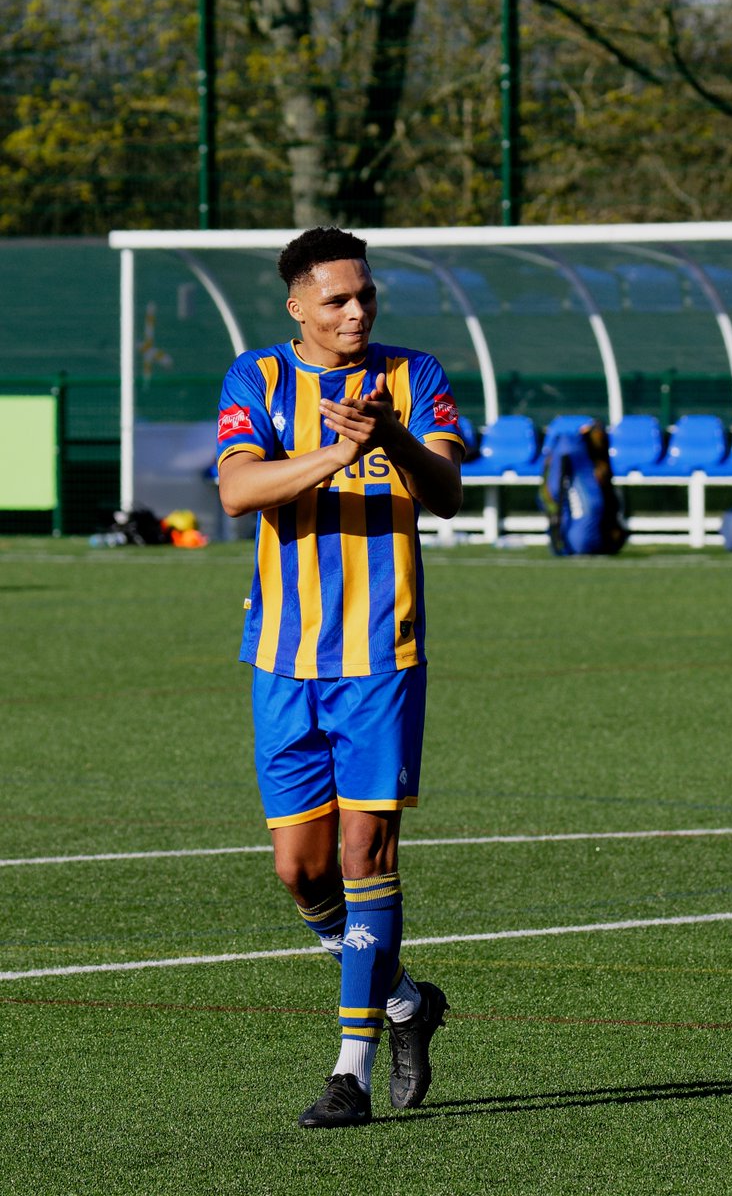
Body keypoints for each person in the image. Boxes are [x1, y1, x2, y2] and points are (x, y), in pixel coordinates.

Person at [216, 226, 465, 1128]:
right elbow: (238, 491)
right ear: (297, 305)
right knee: (300, 871)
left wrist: (389, 434)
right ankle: (406, 1002)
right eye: (337, 299)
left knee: (368, 858)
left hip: (380, 660)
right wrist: (331, 451)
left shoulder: (415, 374)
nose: (356, 311)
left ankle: (350, 1069)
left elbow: (445, 493)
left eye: (365, 296)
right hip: (283, 659)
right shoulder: (258, 379)